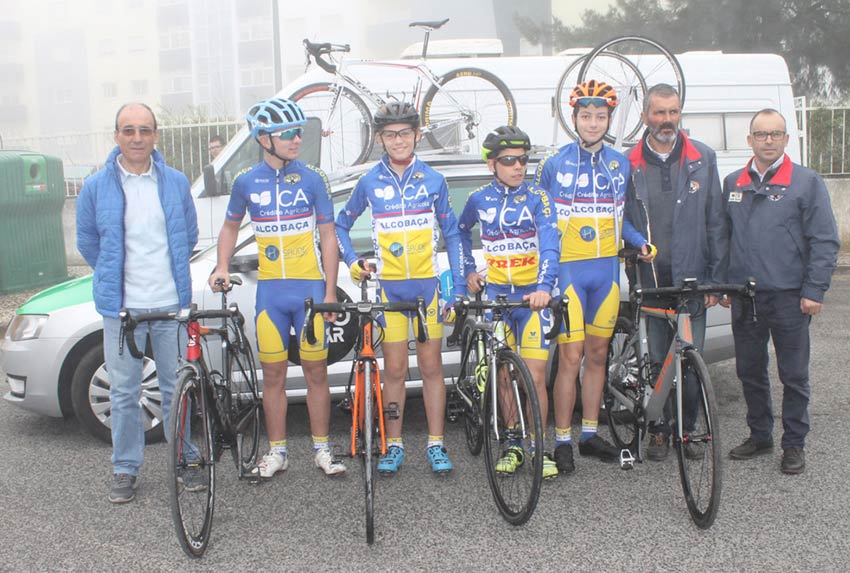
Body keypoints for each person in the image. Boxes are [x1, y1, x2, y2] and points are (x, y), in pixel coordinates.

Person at [208, 97, 346, 478]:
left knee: (316, 372)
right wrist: (221, 265)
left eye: (299, 132)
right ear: (264, 139)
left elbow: (329, 236)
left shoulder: (314, 178)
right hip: (270, 292)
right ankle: (277, 452)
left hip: (310, 292)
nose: (297, 138)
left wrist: (331, 291)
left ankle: (321, 449)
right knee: (273, 376)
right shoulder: (245, 182)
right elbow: (230, 227)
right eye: (288, 133)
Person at [76, 102, 198, 503]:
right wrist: (117, 281)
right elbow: (89, 243)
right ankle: (125, 468)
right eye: (128, 131)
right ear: (116, 136)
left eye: (144, 130)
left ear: (155, 136)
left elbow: (189, 236)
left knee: (175, 388)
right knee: (124, 393)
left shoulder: (176, 182)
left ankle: (185, 459)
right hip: (122, 311)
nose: (137, 138)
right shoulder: (95, 187)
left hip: (169, 305)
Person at [336, 102, 465, 474]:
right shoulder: (369, 181)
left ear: (417, 136)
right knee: (393, 370)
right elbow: (341, 226)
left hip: (427, 290)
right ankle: (393, 445)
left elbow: (454, 233)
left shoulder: (433, 180)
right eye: (390, 134)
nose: (398, 140)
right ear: (380, 139)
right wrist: (351, 262)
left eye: (405, 133)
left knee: (431, 367)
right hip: (390, 292)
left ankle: (436, 445)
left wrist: (453, 287)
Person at [535, 81, 652, 473]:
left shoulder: (621, 163)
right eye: (586, 116)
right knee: (570, 357)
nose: (593, 122)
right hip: (570, 271)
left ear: (609, 120)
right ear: (574, 119)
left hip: (606, 272)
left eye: (600, 116)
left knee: (598, 356)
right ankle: (562, 439)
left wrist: (640, 243)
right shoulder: (553, 164)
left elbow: (626, 220)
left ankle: (588, 434)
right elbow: (541, 220)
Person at [722, 109, 839, 474]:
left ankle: (793, 443)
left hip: (790, 296)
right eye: (761, 134)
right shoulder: (732, 183)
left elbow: (824, 240)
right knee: (749, 371)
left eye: (775, 134)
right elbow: (723, 239)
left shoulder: (806, 182)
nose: (768, 140)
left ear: (787, 139)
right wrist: (725, 281)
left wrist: (814, 290)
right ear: (750, 140)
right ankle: (760, 435)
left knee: (794, 374)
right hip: (745, 297)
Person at [623, 83, 729, 461]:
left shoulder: (703, 156)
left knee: (689, 361)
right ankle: (658, 430)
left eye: (672, 112)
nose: (666, 120)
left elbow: (716, 220)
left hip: (693, 280)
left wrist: (716, 276)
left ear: (680, 113)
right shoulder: (628, 162)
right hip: (652, 283)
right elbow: (619, 219)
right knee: (656, 362)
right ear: (645, 116)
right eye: (659, 112)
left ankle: (687, 430)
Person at [459, 125, 561, 479]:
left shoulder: (538, 197)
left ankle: (539, 445)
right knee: (503, 374)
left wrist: (545, 287)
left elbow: (550, 242)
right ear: (492, 164)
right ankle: (514, 441)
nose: (518, 166)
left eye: (523, 160)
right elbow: (459, 231)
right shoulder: (478, 199)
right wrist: (469, 271)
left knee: (534, 376)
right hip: (496, 300)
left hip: (532, 299)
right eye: (508, 161)